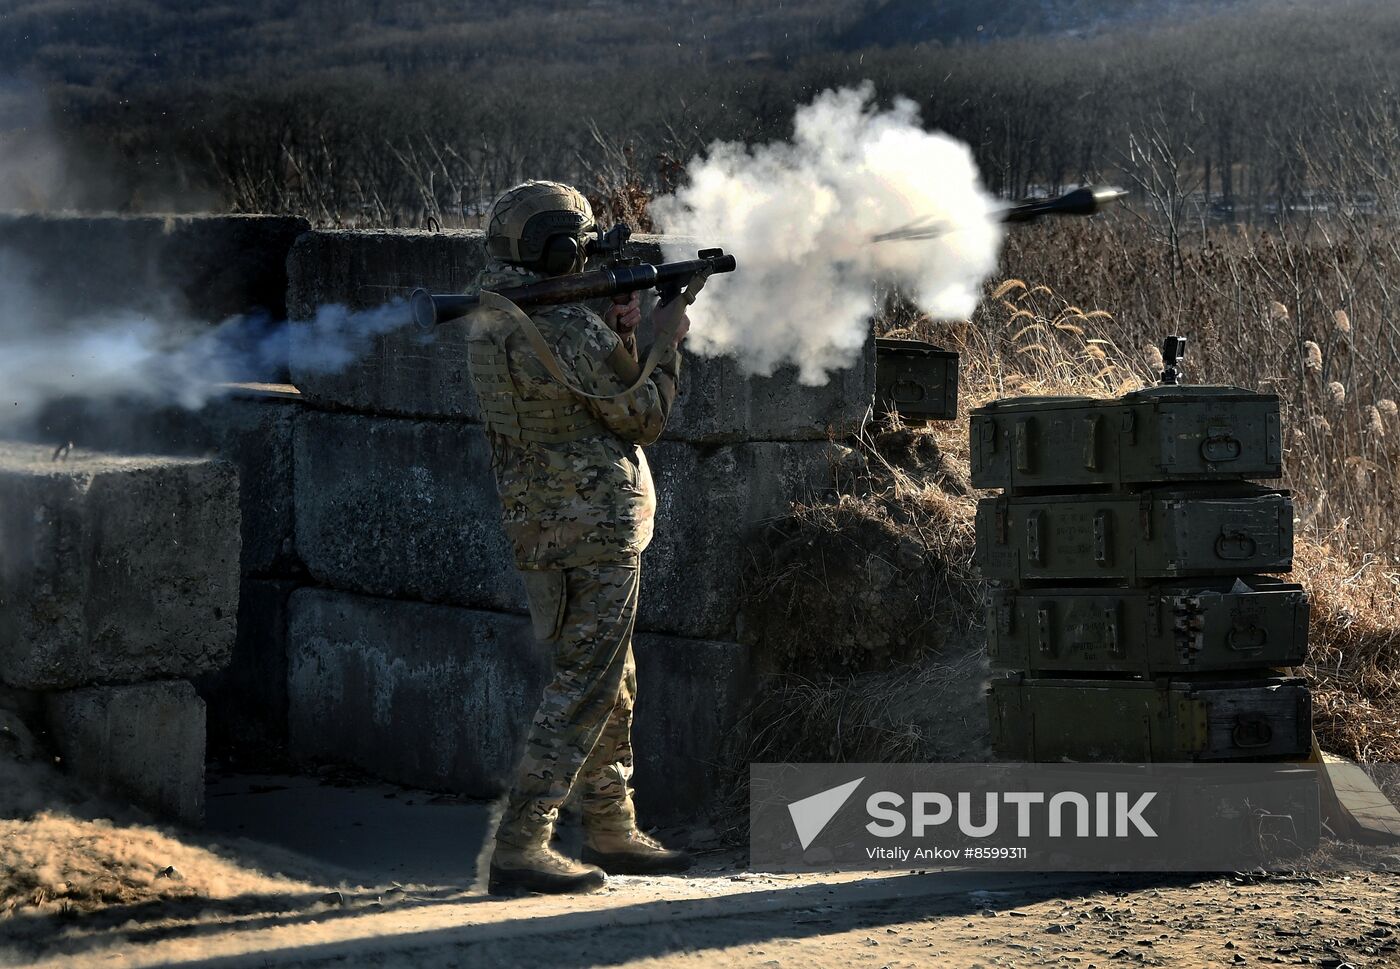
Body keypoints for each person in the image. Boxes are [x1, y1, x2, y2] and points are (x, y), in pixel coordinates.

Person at [464, 180, 696, 895]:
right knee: (586, 684)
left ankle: (610, 822)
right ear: (558, 247)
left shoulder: (499, 315)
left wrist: (625, 330)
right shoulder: (564, 327)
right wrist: (665, 339)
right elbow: (641, 415)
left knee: (609, 675)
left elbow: (582, 398)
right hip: (593, 525)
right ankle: (523, 840)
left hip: (544, 521)